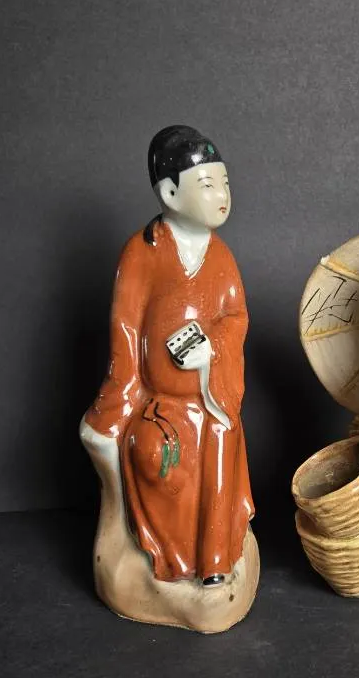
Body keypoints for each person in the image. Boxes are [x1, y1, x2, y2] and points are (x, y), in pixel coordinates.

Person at [81, 125, 254, 585]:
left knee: (221, 438)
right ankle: (172, 559)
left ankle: (213, 562)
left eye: (225, 183)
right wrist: (118, 401)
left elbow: (236, 317)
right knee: (153, 456)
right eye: (208, 185)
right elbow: (125, 327)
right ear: (170, 193)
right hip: (160, 404)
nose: (223, 196)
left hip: (210, 399)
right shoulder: (142, 252)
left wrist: (212, 350)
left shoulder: (222, 256)